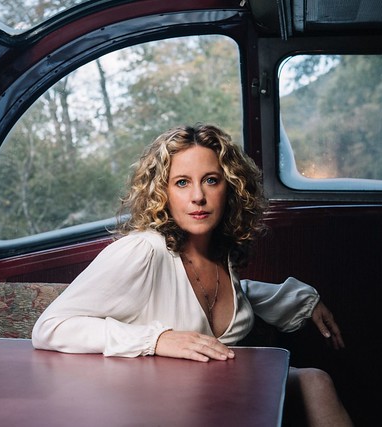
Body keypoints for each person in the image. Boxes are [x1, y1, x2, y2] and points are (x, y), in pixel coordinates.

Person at [32, 124, 353, 426]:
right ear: (163, 192)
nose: (198, 196)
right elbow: (50, 327)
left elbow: (231, 294)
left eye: (211, 180)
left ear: (231, 188)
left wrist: (301, 300)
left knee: (316, 380)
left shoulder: (220, 253)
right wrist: (157, 339)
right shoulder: (144, 250)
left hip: (216, 396)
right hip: (151, 407)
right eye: (182, 182)